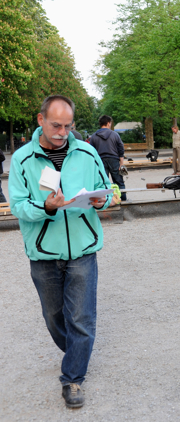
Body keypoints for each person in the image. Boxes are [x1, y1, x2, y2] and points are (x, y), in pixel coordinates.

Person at [8, 95, 113, 408]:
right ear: (41, 120)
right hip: (44, 254)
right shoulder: (22, 159)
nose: (62, 132)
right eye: (56, 125)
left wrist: (102, 200)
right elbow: (18, 206)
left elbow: (107, 189)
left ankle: (73, 377)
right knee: (54, 318)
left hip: (83, 249)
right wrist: (46, 207)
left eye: (68, 126)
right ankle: (77, 352)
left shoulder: (88, 152)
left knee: (81, 318)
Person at [89, 115, 127, 201]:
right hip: (114, 160)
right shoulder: (115, 134)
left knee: (102, 183)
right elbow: (121, 149)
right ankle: (123, 200)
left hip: (100, 161)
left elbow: (91, 151)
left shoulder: (94, 136)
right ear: (108, 123)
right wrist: (121, 164)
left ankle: (104, 202)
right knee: (119, 182)